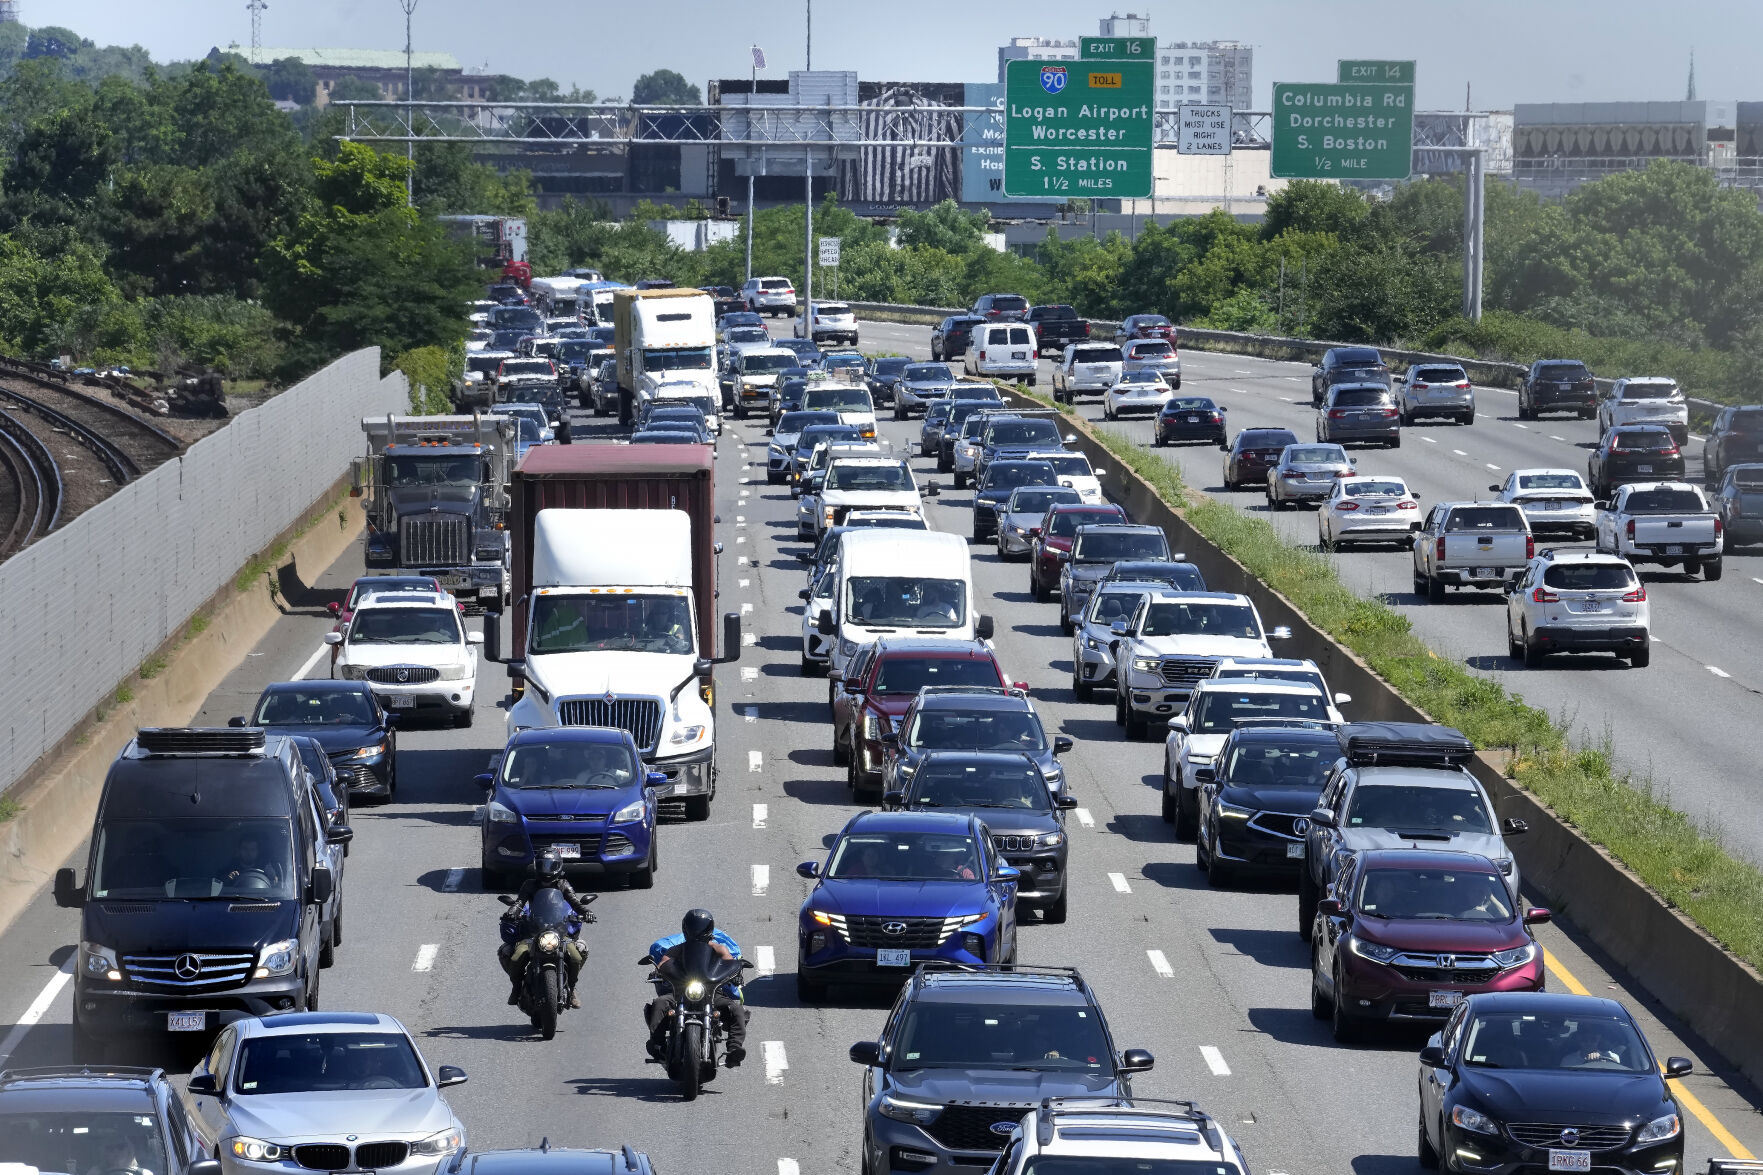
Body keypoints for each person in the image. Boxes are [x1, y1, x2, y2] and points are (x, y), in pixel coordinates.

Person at [644, 909, 748, 1067]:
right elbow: (664, 962)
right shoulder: (677, 949)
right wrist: (656, 971)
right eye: (693, 929)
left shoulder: (719, 949)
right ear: (686, 930)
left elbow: (729, 962)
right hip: (680, 993)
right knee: (659, 1003)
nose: (696, 933)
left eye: (700, 929)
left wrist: (736, 973)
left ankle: (734, 1049)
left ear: (709, 930)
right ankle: (658, 1045)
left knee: (737, 1010)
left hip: (712, 993)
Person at [499, 850, 594, 1008]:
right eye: (543, 865)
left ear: (558, 867)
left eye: (551, 865)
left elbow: (576, 903)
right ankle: (516, 987)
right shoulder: (529, 884)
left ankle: (571, 988)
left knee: (576, 957)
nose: (547, 869)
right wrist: (511, 913)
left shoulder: (563, 885)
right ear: (537, 866)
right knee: (516, 957)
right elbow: (519, 903)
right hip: (533, 931)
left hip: (559, 931)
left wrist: (587, 913)